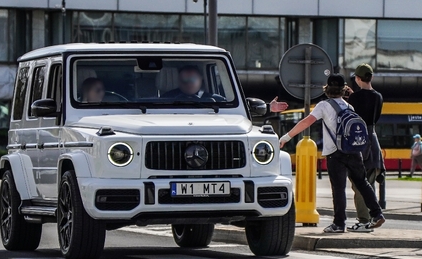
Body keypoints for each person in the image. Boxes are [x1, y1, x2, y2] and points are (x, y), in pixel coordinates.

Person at [279, 74, 386, 233]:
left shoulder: (324, 105)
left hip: (335, 153)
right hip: (354, 151)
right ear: (343, 90)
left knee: (339, 189)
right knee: (362, 182)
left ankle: (339, 224)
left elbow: (306, 122)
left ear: (327, 89)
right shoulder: (349, 107)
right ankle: (377, 214)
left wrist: (287, 137)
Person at [346, 63, 385, 233]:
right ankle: (371, 218)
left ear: (358, 78)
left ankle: (363, 221)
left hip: (359, 141)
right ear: (371, 77)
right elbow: (369, 108)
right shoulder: (379, 97)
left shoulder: (353, 99)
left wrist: (350, 96)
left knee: (358, 184)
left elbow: (355, 113)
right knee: (370, 183)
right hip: (373, 141)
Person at [164, 66, 288, 112]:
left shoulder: (218, 100)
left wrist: (267, 107)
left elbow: (238, 111)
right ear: (179, 81)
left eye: (192, 80)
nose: (188, 84)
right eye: (184, 80)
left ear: (201, 79)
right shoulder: (164, 100)